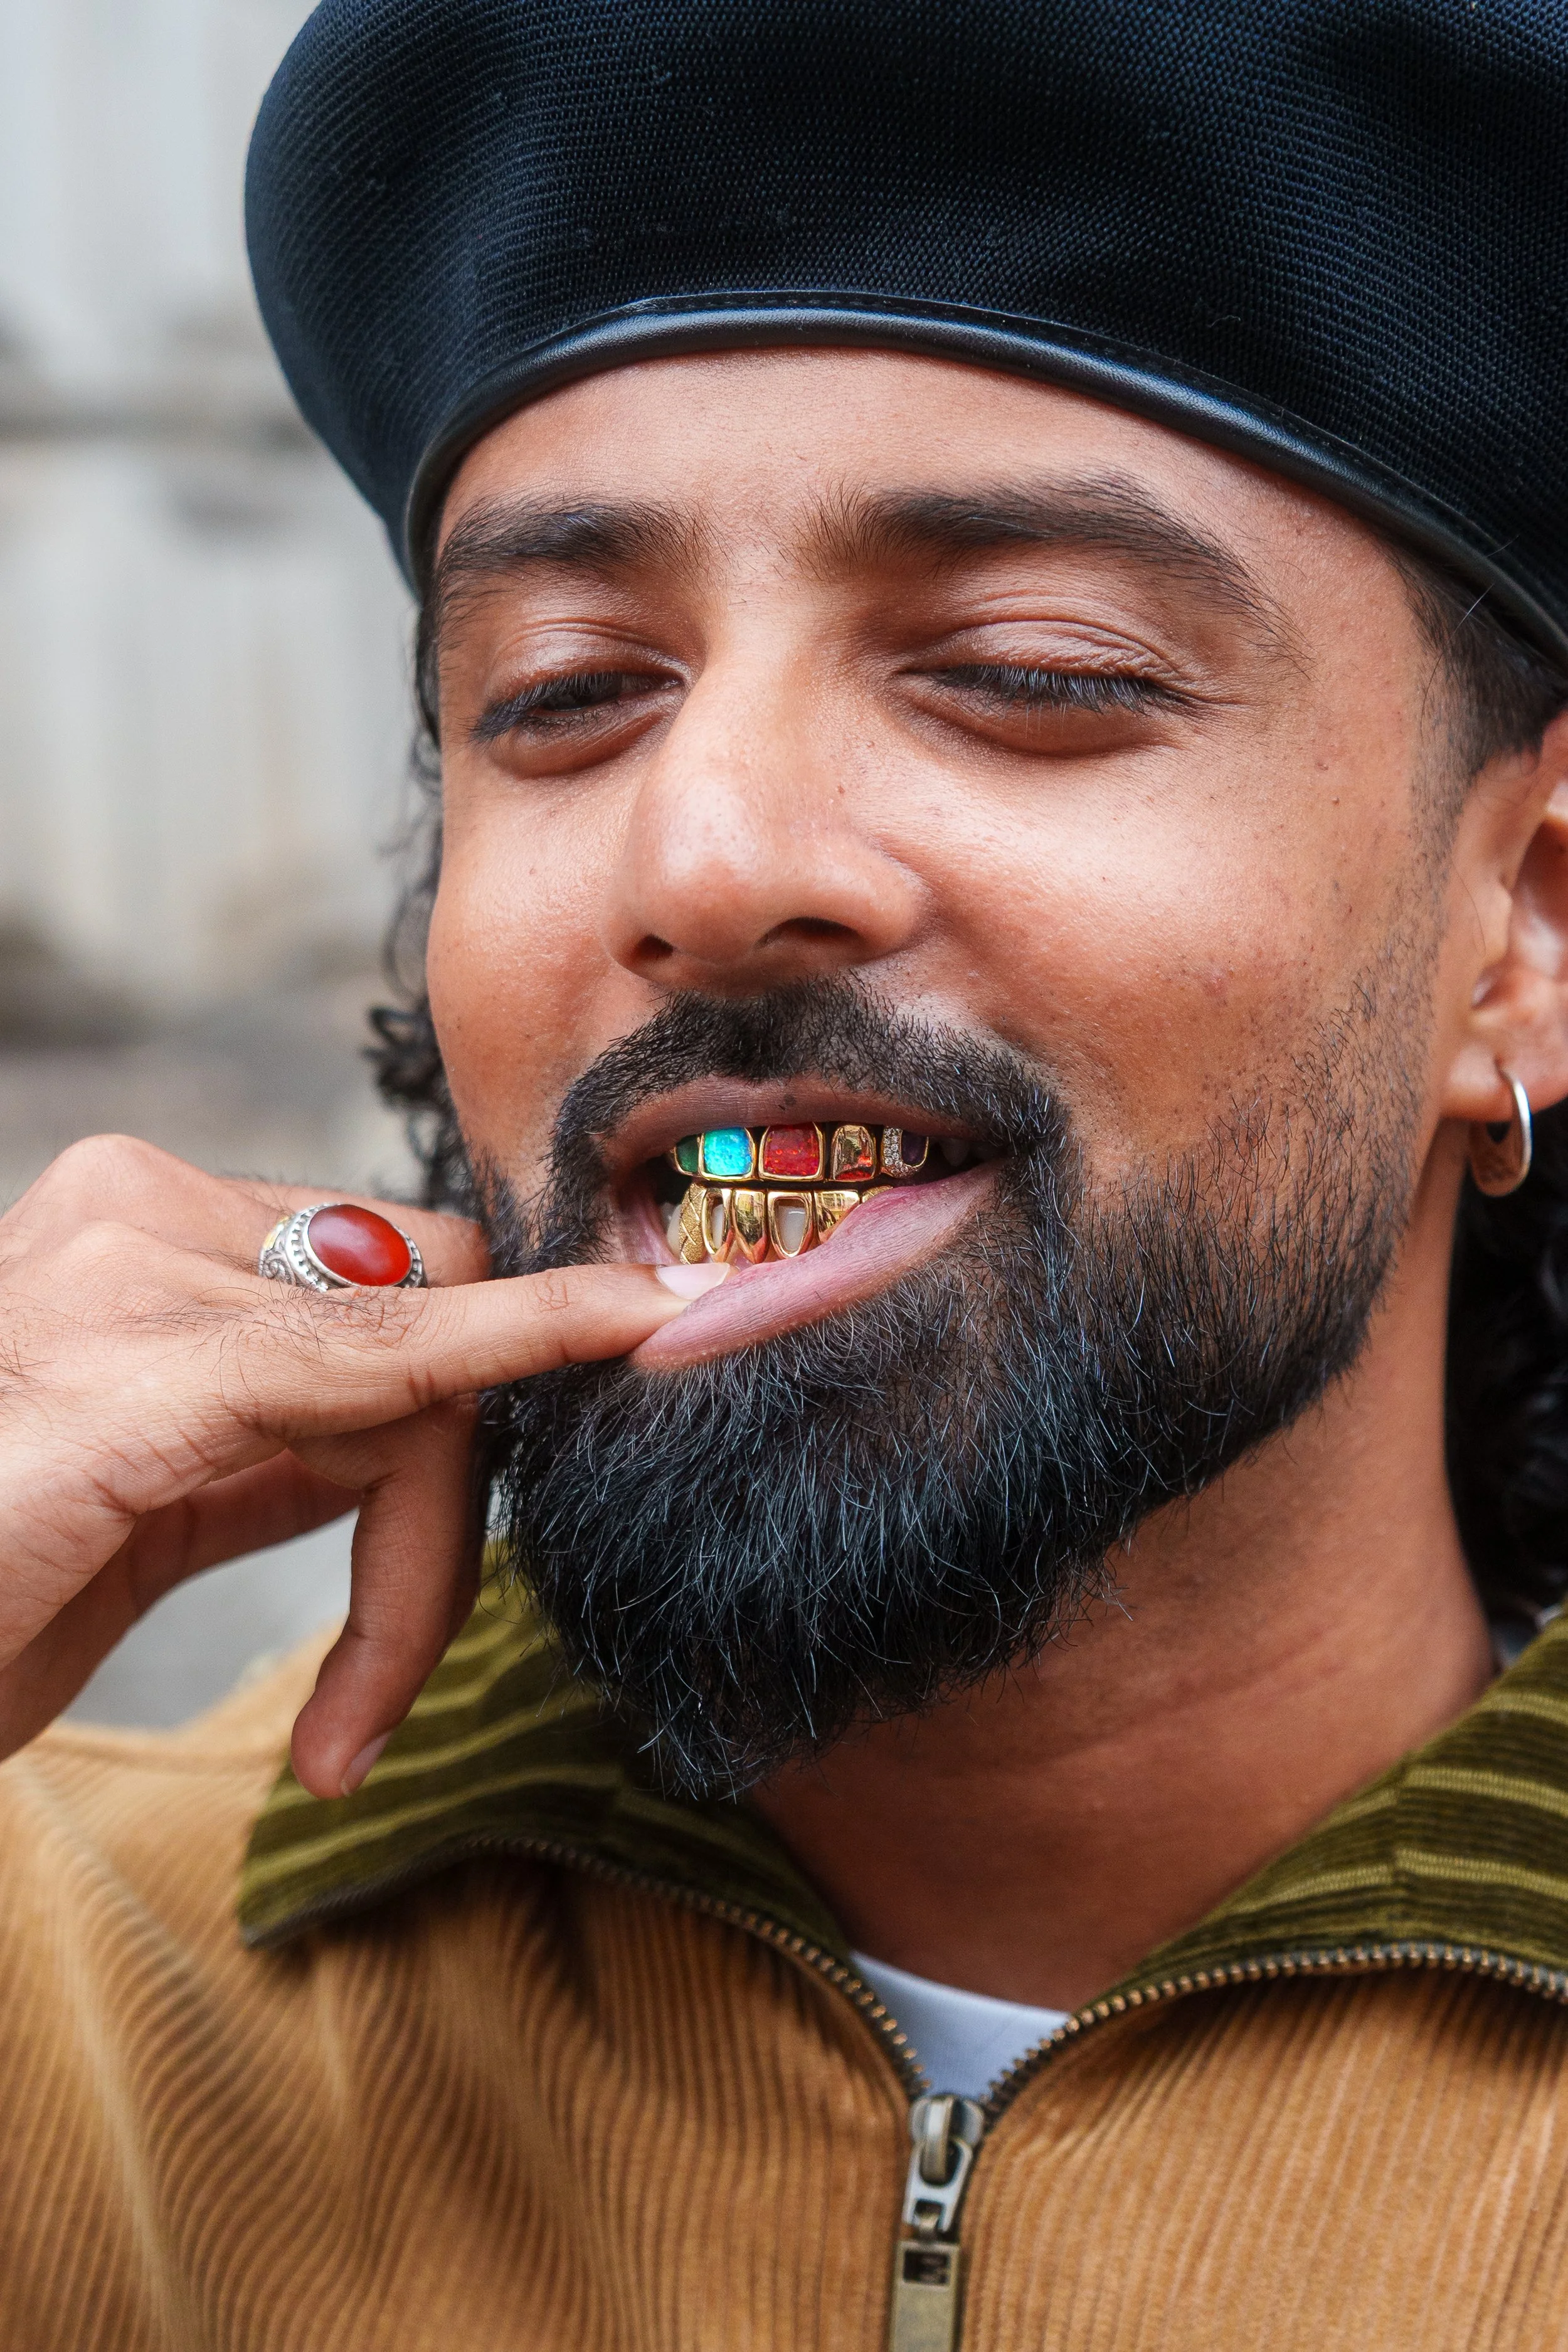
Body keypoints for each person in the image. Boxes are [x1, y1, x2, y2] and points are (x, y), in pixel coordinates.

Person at [4, 1, 1568, 2343]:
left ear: (1522, 929)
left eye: (1032, 669)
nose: (703, 853)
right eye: (557, 693)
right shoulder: (56, 2001)